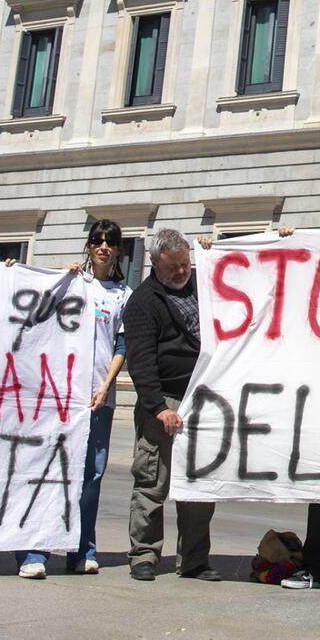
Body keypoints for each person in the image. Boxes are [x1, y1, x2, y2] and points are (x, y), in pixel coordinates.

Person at [19, 219, 128, 579]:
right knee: (51, 469)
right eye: (97, 240)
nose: (103, 247)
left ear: (117, 249)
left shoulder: (122, 295)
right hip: (60, 394)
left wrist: (106, 385)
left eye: (110, 242)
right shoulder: (70, 282)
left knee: (91, 477)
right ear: (88, 246)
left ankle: (84, 548)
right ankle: (36, 551)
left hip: (98, 398)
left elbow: (120, 345)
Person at [123, 227, 220, 582]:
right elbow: (140, 360)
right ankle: (144, 555)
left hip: (203, 399)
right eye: (172, 268)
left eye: (185, 264)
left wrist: (213, 254)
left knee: (198, 484)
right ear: (154, 264)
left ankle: (194, 560)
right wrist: (157, 406)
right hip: (164, 400)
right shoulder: (143, 302)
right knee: (152, 480)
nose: (181, 272)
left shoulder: (202, 283)